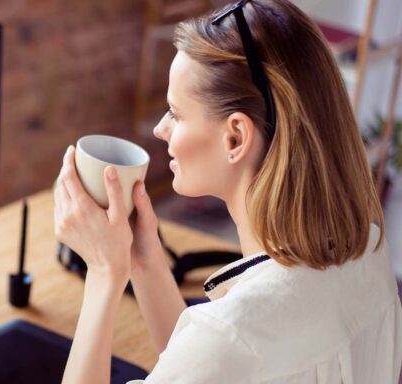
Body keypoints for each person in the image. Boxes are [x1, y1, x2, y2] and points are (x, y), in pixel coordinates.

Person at [54, 1, 402, 383]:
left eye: (176, 113)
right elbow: (212, 365)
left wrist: (104, 274)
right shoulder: (370, 250)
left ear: (235, 137)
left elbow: (221, 351)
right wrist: (145, 260)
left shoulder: (231, 337)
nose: (160, 129)